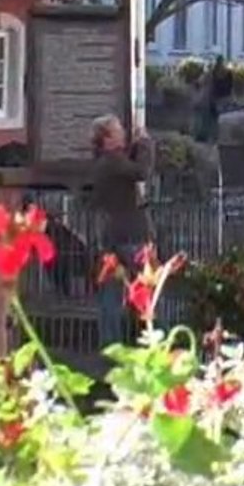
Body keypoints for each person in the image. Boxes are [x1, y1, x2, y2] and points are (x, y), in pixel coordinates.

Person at [90, 115, 154, 348]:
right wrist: (146, 144)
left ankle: (111, 345)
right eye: (118, 131)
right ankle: (151, 340)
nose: (123, 133)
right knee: (146, 289)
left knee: (110, 294)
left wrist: (136, 147)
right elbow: (141, 172)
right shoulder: (113, 161)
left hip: (111, 235)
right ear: (107, 138)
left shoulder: (104, 162)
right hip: (130, 234)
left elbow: (128, 168)